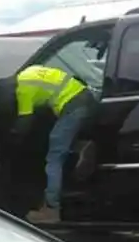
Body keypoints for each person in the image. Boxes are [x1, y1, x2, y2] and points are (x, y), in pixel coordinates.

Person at [13, 62, 96, 224]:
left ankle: (52, 209)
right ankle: (79, 147)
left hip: (73, 106)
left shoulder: (22, 90)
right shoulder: (31, 71)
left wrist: (14, 137)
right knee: (61, 141)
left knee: (54, 157)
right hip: (85, 96)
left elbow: (25, 120)